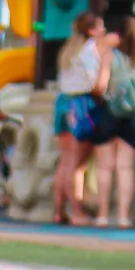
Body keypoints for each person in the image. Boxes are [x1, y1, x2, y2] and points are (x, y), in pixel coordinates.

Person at [92, 15, 135, 229]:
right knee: (125, 167)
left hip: (111, 110)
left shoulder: (111, 55)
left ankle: (102, 215)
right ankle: (123, 216)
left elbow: (101, 85)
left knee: (104, 167)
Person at [52, 12, 106, 226]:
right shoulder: (91, 51)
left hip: (63, 102)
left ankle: (59, 210)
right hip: (82, 104)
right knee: (77, 163)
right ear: (91, 30)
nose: (104, 31)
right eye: (100, 27)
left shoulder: (68, 50)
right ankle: (77, 211)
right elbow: (95, 83)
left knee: (65, 160)